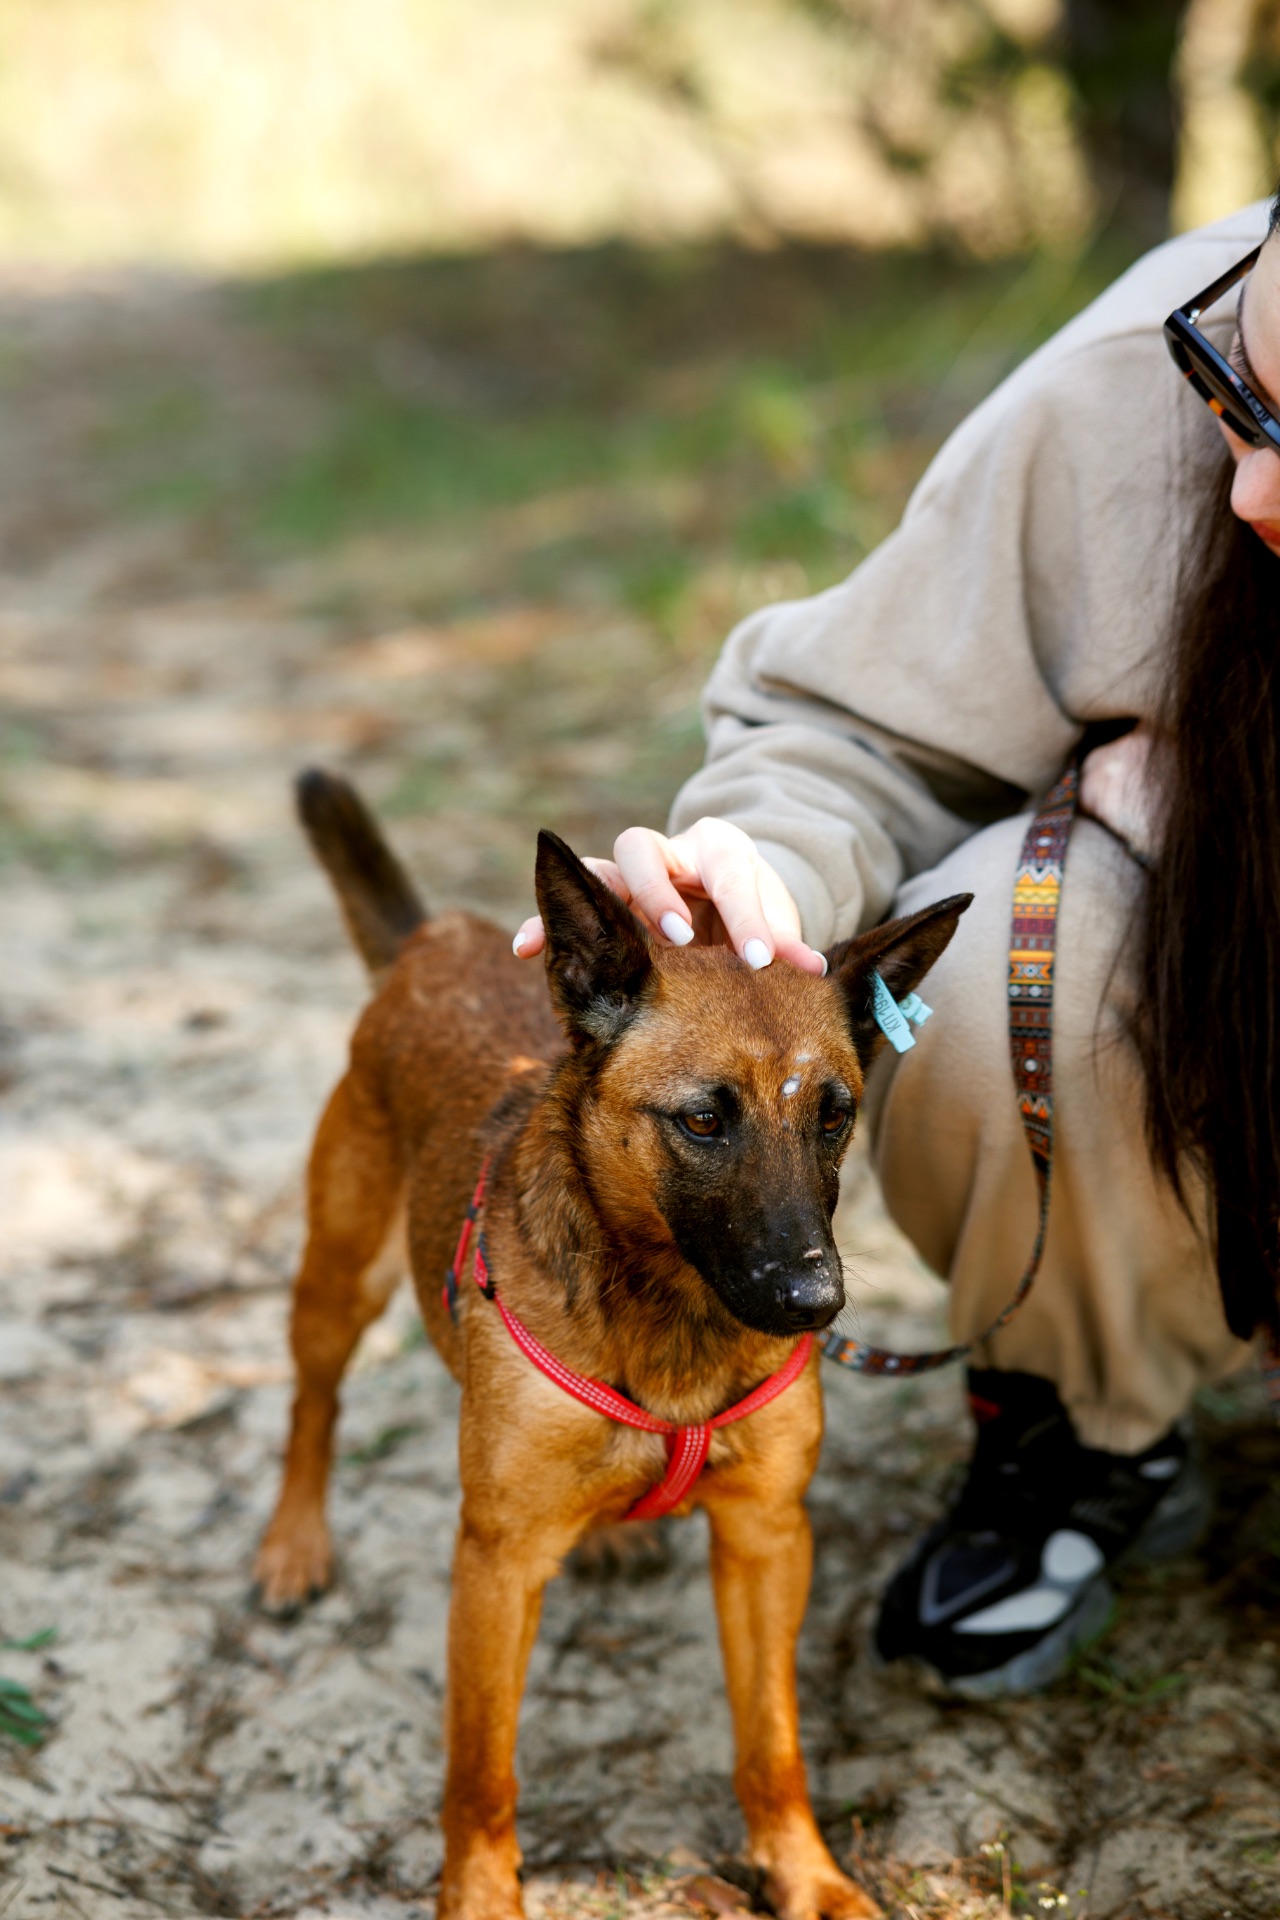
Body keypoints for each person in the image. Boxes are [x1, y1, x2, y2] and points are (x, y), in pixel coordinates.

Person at [513, 190, 1280, 1697]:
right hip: (1219, 993)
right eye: (1242, 399)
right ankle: (1086, 1415)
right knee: (1010, 963)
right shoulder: (1128, 379)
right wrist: (762, 880)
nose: (1254, 495)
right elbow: (857, 732)